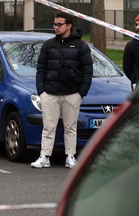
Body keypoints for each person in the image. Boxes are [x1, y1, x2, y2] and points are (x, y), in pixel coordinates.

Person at [31, 12, 93, 169]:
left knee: (70, 127)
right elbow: (41, 69)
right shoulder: (48, 45)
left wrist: (81, 93)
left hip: (72, 93)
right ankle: (44, 156)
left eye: (59, 24)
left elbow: (88, 70)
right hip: (50, 93)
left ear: (69, 26)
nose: (56, 27)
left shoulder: (81, 46)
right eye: (55, 24)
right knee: (48, 126)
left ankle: (70, 156)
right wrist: (42, 91)